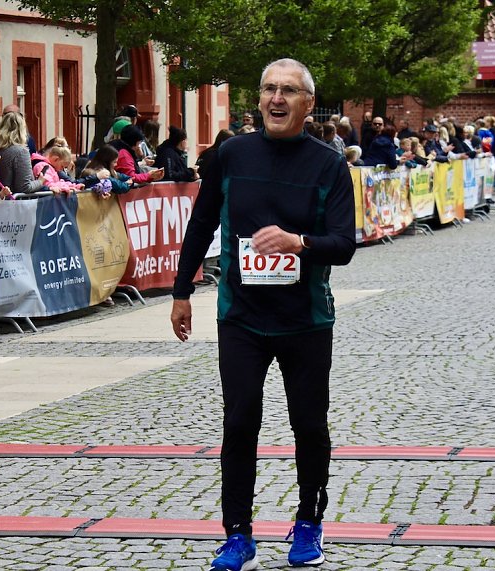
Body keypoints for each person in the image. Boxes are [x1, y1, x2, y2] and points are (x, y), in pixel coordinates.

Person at [170, 58, 355, 571]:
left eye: (289, 91)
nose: (277, 99)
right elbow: (202, 223)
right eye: (269, 89)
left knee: (309, 427)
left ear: (308, 104)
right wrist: (181, 290)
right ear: (259, 99)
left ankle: (309, 524)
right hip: (242, 317)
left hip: (306, 319)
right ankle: (237, 534)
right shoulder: (231, 155)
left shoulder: (328, 164)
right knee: (240, 421)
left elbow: (344, 244)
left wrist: (298, 243)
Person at [0, 111, 46, 194]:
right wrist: (40, 181)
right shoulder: (20, 152)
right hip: (12, 202)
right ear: (22, 129)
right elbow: (24, 187)